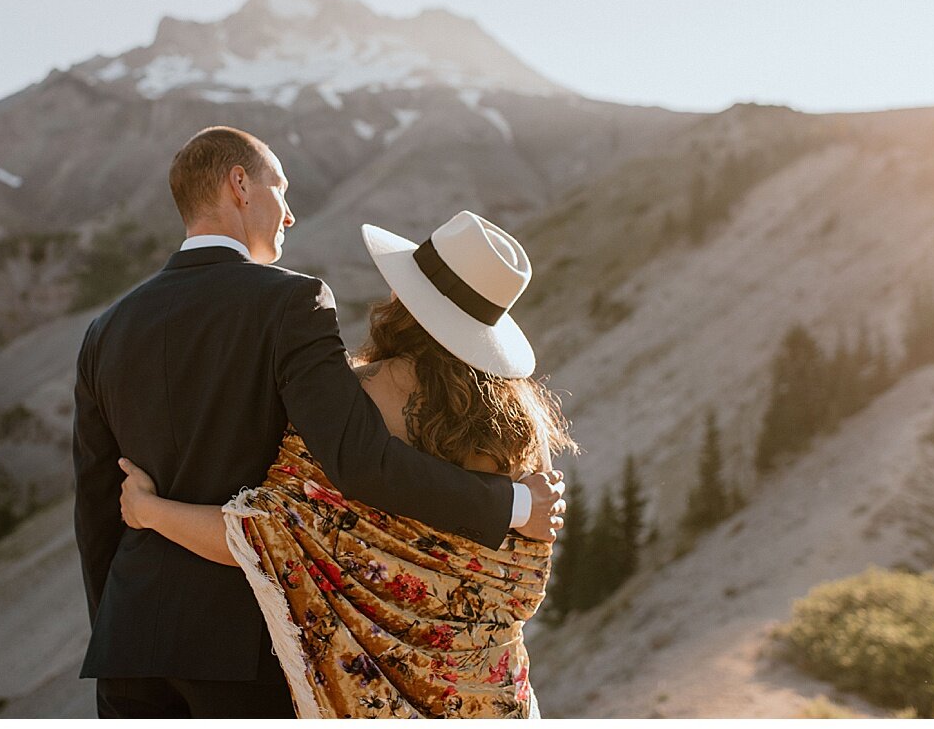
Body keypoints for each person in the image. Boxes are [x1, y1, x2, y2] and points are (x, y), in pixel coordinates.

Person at [73, 126, 566, 718]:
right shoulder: (292, 302)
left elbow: (98, 505)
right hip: (247, 638)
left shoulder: (105, 330)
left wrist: (116, 626)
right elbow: (357, 462)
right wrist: (512, 505)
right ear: (240, 186)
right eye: (281, 189)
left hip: (129, 645)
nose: (291, 214)